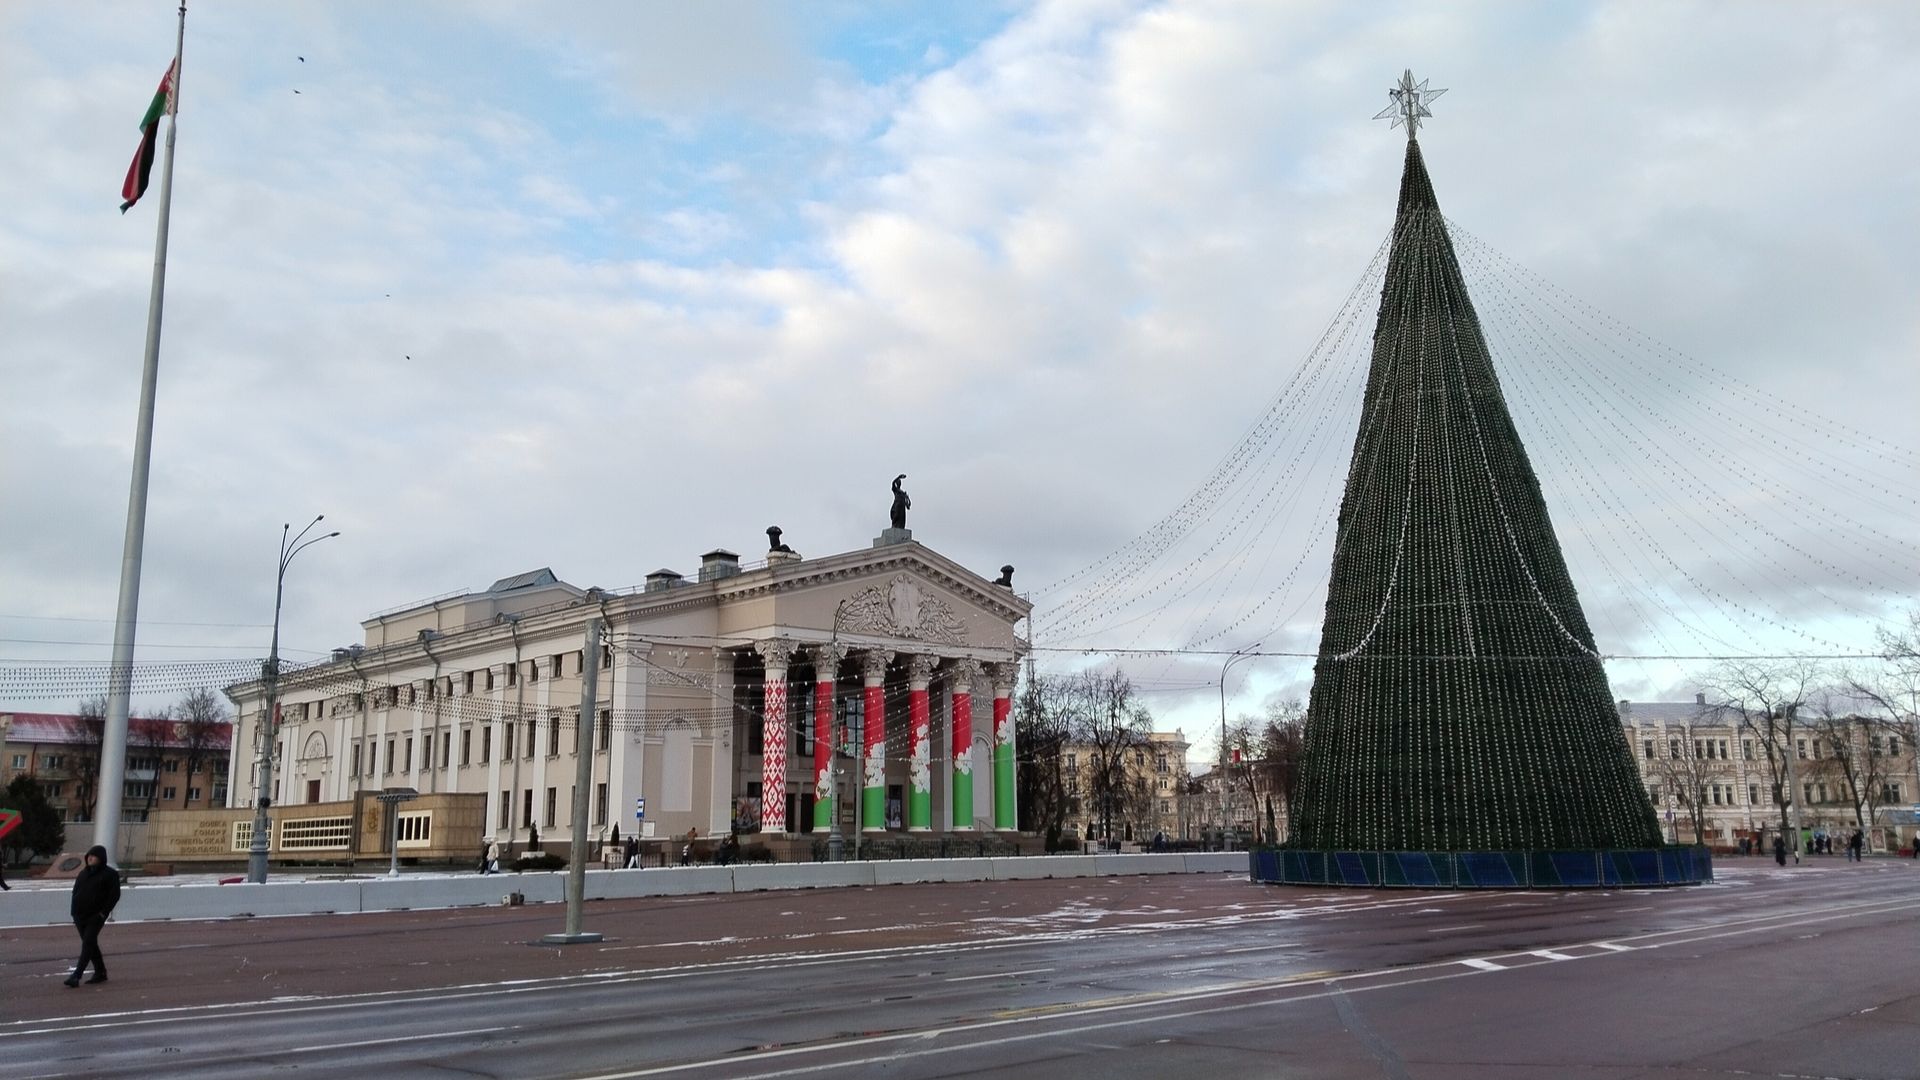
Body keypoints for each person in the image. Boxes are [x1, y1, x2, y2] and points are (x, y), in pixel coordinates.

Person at [66, 845, 120, 987]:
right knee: (90, 944)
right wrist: (74, 912)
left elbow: (114, 896)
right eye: (89, 855)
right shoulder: (83, 873)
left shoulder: (110, 874)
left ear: (101, 858)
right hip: (79, 915)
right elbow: (75, 892)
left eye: (93, 856)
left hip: (95, 917)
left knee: (88, 943)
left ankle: (76, 976)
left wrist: (103, 913)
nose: (90, 858)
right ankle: (100, 972)